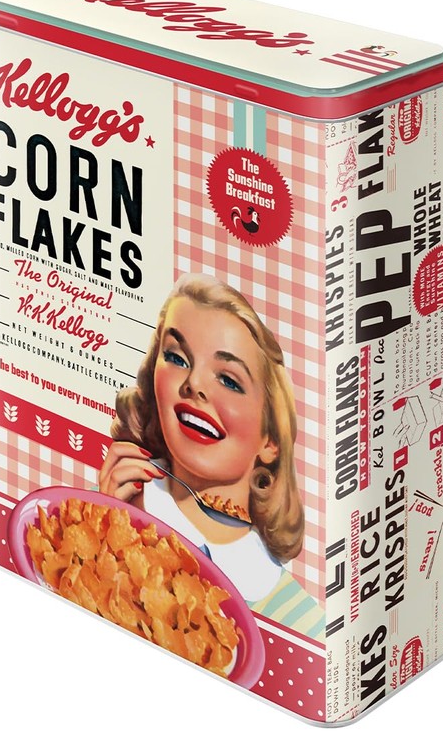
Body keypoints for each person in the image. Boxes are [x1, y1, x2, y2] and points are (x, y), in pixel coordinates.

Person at [99, 274, 323, 639]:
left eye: (229, 380)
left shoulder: (303, 622)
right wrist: (106, 532)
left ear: (270, 439)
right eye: (176, 357)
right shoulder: (108, 511)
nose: (194, 384)